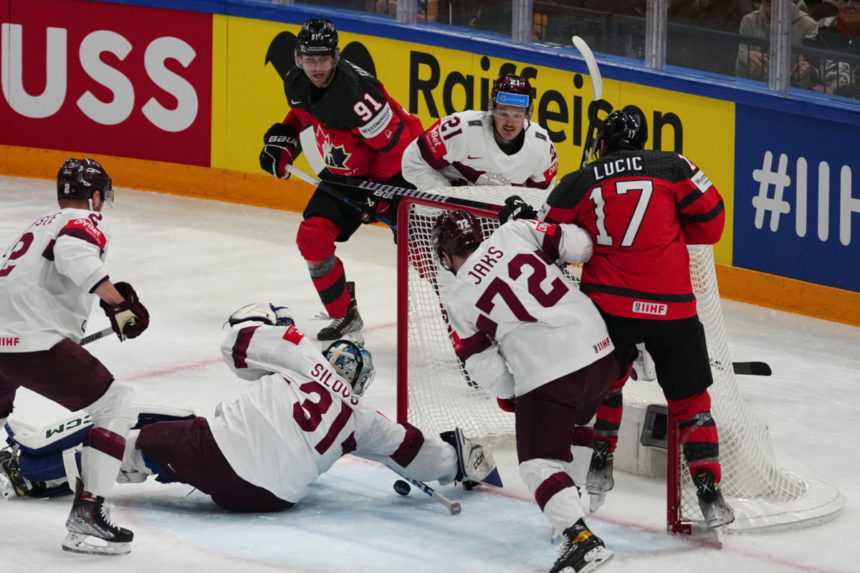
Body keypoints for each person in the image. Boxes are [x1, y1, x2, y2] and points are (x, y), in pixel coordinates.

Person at [1, 302, 501, 514]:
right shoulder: (364, 421)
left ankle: (36, 471)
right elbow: (418, 453)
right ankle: (55, 466)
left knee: (129, 439)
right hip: (271, 500)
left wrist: (275, 320)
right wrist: (460, 460)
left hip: (218, 456)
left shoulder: (304, 357)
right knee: (173, 430)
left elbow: (236, 340)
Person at [538, 110, 734, 529]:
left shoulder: (581, 179)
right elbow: (713, 225)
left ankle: (600, 462)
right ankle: (709, 490)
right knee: (692, 401)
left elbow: (548, 237)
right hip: (672, 305)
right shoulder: (674, 165)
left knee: (606, 387)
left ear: (604, 140)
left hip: (609, 306)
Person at [432, 210, 619, 573]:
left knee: (536, 464)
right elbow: (581, 246)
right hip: (600, 348)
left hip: (550, 370)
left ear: (444, 256)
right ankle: (571, 503)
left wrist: (511, 394)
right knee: (579, 422)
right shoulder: (513, 231)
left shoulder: (457, 297)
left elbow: (482, 364)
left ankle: (580, 539)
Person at [0, 158, 150, 555]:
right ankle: (88, 515)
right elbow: (72, 254)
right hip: (34, 342)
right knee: (118, 403)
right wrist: (117, 304)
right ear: (96, 196)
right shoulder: (84, 222)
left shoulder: (36, 225)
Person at [259, 18, 423, 341]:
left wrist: (376, 192)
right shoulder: (295, 82)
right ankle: (344, 314)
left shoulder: (358, 95)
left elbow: (396, 148)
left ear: (335, 57)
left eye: (322, 58)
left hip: (400, 172)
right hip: (348, 177)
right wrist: (286, 142)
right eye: (309, 58)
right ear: (298, 58)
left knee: (425, 252)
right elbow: (305, 113)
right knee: (312, 238)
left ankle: (468, 333)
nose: (316, 67)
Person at [401, 74, 557, 192]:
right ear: (492, 108)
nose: (510, 123)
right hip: (442, 214)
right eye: (503, 113)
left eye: (517, 115)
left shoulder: (541, 146)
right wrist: (446, 200)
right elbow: (413, 160)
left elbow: (543, 196)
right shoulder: (461, 129)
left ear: (528, 113)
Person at [736, 0, 818, 80]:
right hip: (754, 86)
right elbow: (738, 71)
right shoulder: (749, 21)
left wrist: (809, 71)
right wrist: (743, 58)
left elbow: (819, 75)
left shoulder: (809, 26)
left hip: (793, 90)